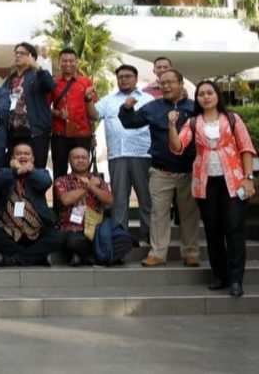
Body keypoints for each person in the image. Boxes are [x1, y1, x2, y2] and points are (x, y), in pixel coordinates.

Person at [169, 80, 257, 297]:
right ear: (197, 98)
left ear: (217, 95)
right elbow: (178, 147)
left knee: (234, 229)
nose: (206, 97)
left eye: (210, 93)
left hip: (234, 182)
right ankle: (220, 276)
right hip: (205, 183)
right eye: (201, 94)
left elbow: (246, 148)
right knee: (212, 230)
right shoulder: (192, 122)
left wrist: (248, 178)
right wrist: (171, 125)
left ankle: (236, 280)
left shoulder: (233, 119)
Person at [119, 68, 200, 268]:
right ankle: (157, 253)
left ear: (181, 84)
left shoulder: (195, 108)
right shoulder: (152, 107)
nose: (166, 86)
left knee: (189, 214)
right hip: (160, 171)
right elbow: (131, 123)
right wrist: (127, 109)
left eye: (170, 82)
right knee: (158, 214)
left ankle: (191, 252)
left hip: (189, 172)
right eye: (162, 83)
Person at [88, 64, 152, 240]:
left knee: (146, 197)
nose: (124, 79)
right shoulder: (108, 100)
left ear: (136, 79)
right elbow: (94, 115)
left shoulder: (148, 99)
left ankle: (150, 234)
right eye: (120, 77)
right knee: (119, 200)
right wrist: (88, 100)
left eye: (128, 76)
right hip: (117, 155)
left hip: (143, 154)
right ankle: (120, 236)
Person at [0, 142, 65, 267]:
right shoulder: (4, 172)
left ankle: (17, 259)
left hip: (35, 231)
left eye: (27, 154)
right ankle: (36, 257)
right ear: (12, 158)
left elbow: (45, 182)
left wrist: (28, 171)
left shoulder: (41, 173)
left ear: (33, 158)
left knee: (59, 236)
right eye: (19, 153)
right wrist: (17, 171)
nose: (23, 156)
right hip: (9, 230)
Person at [56, 147, 130, 266]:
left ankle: (87, 259)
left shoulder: (98, 180)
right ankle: (106, 256)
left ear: (89, 159)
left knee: (126, 241)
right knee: (72, 243)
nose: (80, 160)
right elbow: (66, 200)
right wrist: (87, 187)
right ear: (69, 161)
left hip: (98, 229)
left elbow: (109, 200)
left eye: (84, 157)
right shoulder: (62, 181)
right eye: (76, 158)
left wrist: (92, 187)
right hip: (75, 229)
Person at [2, 42, 56, 169]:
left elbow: (51, 85)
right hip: (14, 132)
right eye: (16, 53)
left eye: (22, 53)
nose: (18, 56)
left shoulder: (38, 75)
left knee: (36, 169)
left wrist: (36, 66)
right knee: (15, 169)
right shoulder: (11, 78)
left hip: (35, 132)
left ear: (32, 57)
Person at [47, 48, 97, 180]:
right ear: (59, 63)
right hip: (59, 135)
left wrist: (93, 135)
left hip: (82, 135)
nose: (68, 64)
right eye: (64, 61)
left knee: (83, 172)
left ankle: (83, 195)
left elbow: (92, 113)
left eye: (71, 61)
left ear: (77, 62)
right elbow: (44, 108)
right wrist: (57, 113)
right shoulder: (53, 82)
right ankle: (60, 195)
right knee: (59, 174)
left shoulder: (86, 82)